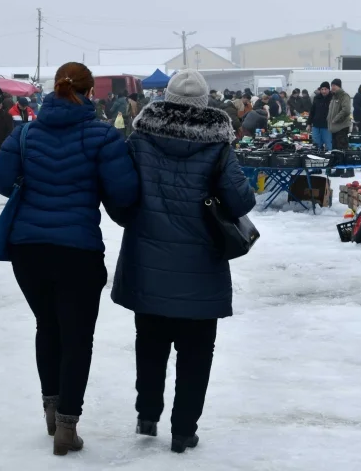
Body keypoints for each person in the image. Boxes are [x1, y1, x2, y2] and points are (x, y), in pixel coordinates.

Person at [0, 62, 139, 456]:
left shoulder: (25, 133)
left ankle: (50, 409)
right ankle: (67, 427)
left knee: (47, 327)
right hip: (78, 250)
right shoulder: (102, 137)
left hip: (28, 249)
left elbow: (2, 180)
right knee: (77, 337)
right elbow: (123, 196)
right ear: (91, 93)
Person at [110, 69, 256, 454]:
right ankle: (183, 430)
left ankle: (147, 413)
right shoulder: (218, 146)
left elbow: (121, 193)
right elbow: (241, 202)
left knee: (150, 342)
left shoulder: (140, 138)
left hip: (148, 263)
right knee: (196, 352)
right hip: (201, 266)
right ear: (204, 102)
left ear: (167, 99)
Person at [328, 78, 353, 150]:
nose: (332, 87)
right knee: (335, 150)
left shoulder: (344, 96)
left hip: (341, 127)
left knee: (341, 149)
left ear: (339, 86)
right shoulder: (333, 97)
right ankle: (336, 161)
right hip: (334, 128)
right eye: (331, 85)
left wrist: (335, 119)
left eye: (334, 85)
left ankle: (342, 161)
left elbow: (346, 110)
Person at [308, 82, 333, 150]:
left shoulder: (332, 98)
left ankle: (329, 157)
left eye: (325, 89)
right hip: (316, 125)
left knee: (328, 143)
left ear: (329, 89)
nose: (324, 91)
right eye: (322, 89)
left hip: (327, 126)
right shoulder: (316, 98)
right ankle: (318, 156)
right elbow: (312, 111)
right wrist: (309, 123)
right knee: (316, 144)